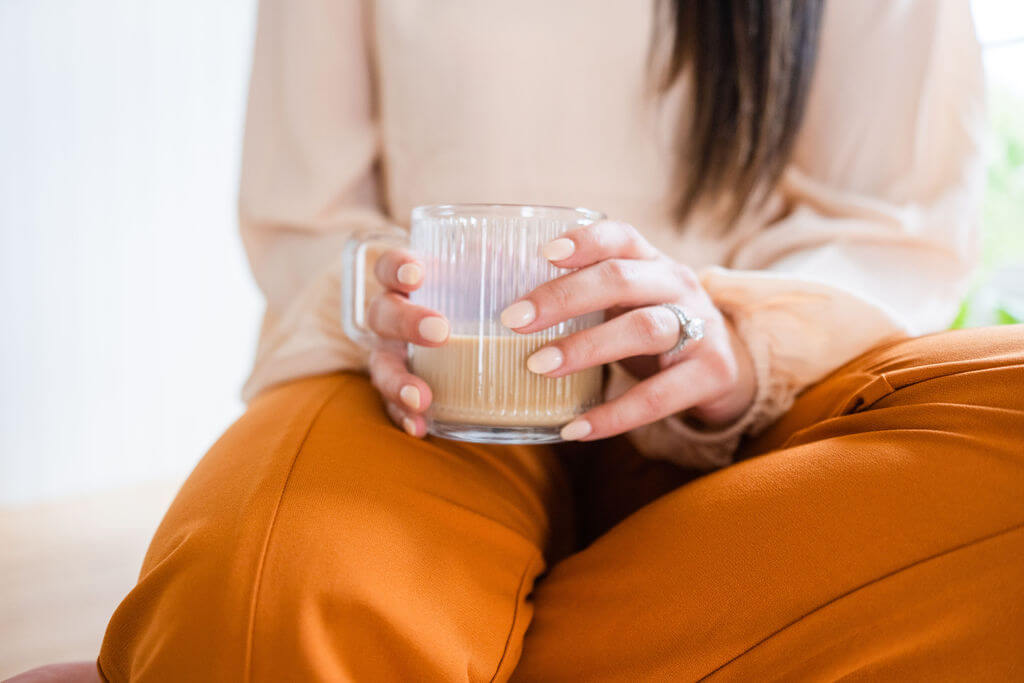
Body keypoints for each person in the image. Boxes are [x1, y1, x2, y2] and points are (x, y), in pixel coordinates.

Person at [20, 0, 1020, 681]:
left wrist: (736, 339)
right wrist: (381, 295)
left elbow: (894, 227)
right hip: (424, 394)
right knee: (272, 591)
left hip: (770, 390)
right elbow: (304, 213)